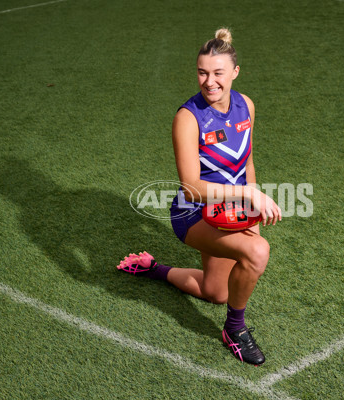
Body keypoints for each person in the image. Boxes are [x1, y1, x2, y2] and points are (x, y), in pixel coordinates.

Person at [118, 28, 281, 366]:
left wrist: (249, 211)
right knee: (258, 252)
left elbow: (246, 160)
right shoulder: (188, 118)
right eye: (202, 72)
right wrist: (247, 194)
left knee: (216, 293)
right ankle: (234, 330)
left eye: (218, 73)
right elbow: (191, 186)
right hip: (192, 214)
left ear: (234, 72)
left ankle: (153, 268)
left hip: (230, 210)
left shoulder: (246, 105)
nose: (209, 81)